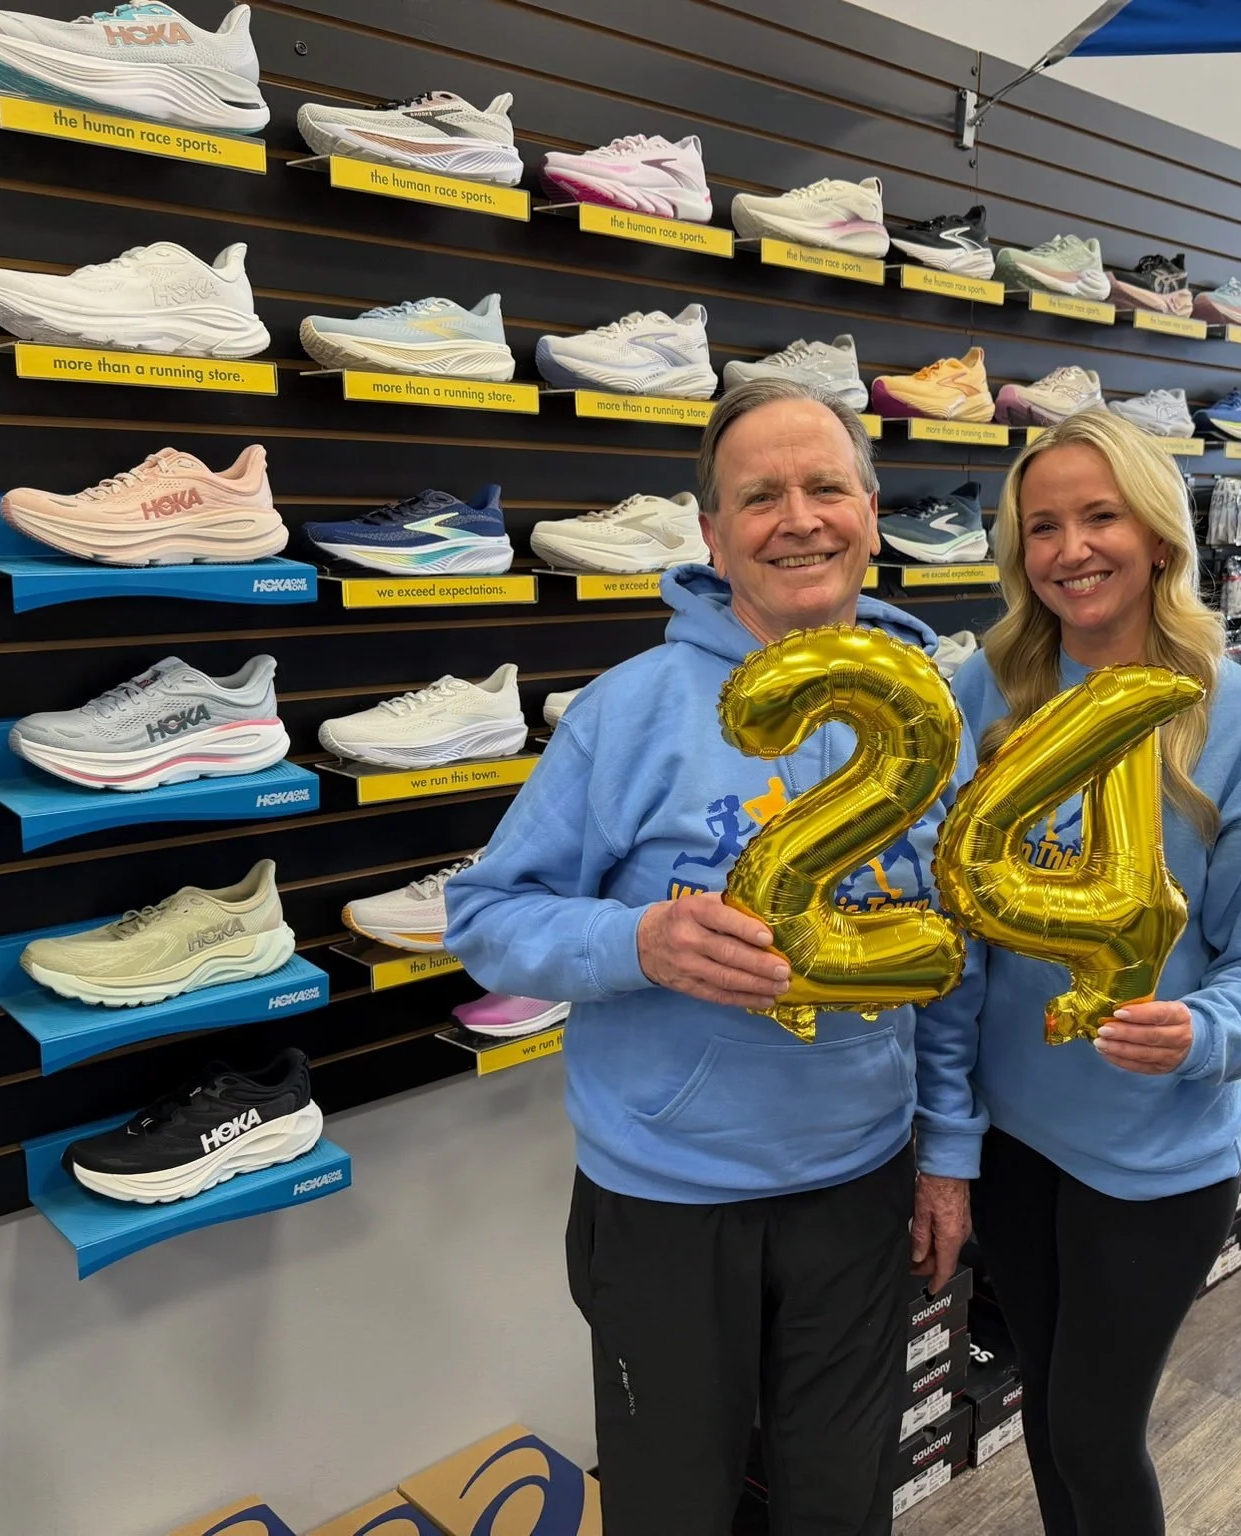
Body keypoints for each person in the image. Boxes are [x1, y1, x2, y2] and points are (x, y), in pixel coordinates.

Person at [445, 378, 981, 1536]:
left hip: (859, 1190)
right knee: (673, 1513)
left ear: (870, 511)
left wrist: (946, 1154)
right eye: (759, 497)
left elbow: (951, 959)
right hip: (665, 1204)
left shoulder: (929, 714)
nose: (798, 519)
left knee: (841, 1509)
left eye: (824, 487)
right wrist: (635, 942)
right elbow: (485, 918)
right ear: (711, 533)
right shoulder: (626, 713)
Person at [950, 409, 1241, 1536]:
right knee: (1045, 1413)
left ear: (1159, 536)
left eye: (1099, 517)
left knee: (1093, 1432)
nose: (1070, 550)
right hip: (1008, 1140)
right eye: (1042, 526)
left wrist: (1200, 1032)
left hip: (1155, 1156)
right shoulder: (988, 691)